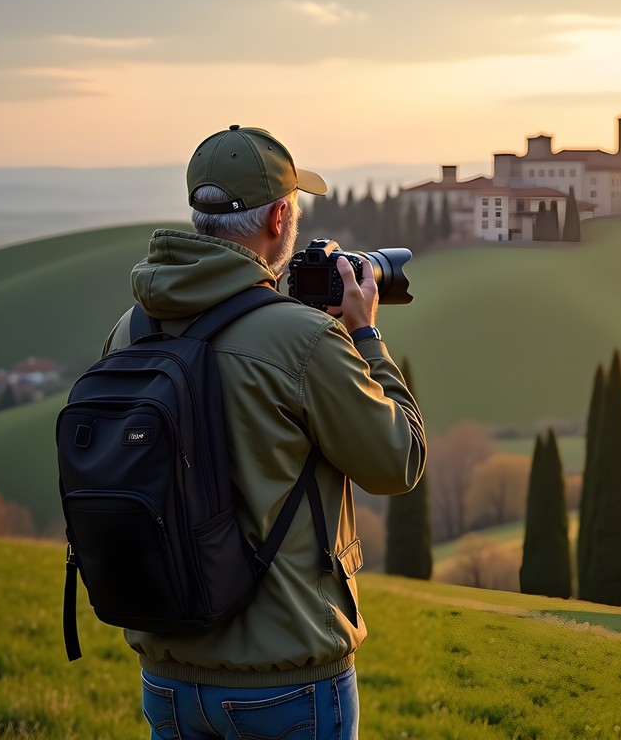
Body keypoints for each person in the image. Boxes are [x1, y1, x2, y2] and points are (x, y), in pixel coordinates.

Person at [101, 125, 426, 739]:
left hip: (166, 673)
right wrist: (363, 337)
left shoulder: (131, 328)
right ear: (281, 217)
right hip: (285, 682)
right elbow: (398, 460)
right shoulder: (303, 341)